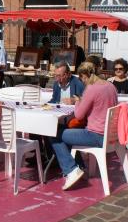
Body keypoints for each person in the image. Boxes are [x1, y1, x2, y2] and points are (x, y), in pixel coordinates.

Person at [50, 62, 118, 191]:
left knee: (54, 134)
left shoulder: (92, 88)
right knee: (67, 134)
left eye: (81, 78)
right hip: (111, 135)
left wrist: (77, 101)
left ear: (84, 76)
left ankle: (71, 169)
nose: (82, 81)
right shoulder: (111, 86)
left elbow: (79, 115)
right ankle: (78, 167)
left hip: (96, 135)